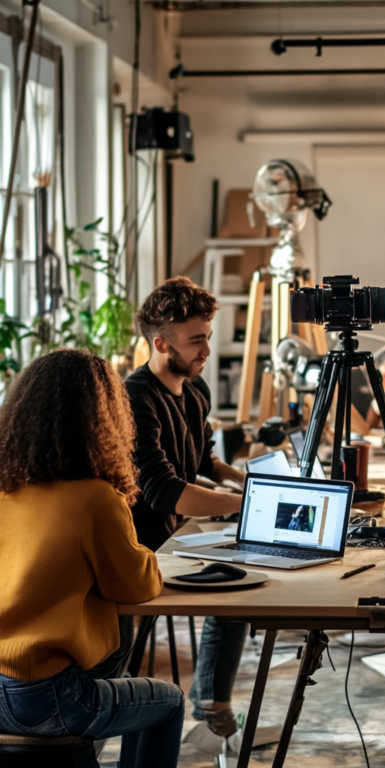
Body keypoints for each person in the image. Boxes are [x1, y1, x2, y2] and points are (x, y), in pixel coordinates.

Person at [0, 349, 184, 768]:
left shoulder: (5, 489)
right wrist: (145, 554)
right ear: (102, 420)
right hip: (45, 698)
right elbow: (136, 586)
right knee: (168, 701)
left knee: (117, 670)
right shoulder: (96, 499)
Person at [126, 276, 247, 740]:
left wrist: (248, 481)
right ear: (161, 343)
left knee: (247, 567)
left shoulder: (195, 392)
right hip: (142, 545)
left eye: (207, 338)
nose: (207, 352)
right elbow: (163, 489)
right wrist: (247, 505)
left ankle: (212, 697)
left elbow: (202, 461)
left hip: (177, 533)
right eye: (196, 341)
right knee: (240, 569)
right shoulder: (135, 398)